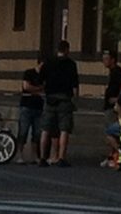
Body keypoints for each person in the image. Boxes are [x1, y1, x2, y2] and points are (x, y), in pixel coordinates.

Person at [38, 40, 79, 168]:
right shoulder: (71, 64)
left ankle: (42, 158)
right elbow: (75, 85)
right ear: (67, 50)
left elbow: (40, 80)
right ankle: (61, 158)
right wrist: (75, 100)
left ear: (57, 50)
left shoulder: (48, 62)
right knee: (64, 129)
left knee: (45, 129)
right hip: (64, 99)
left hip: (50, 99)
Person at [16, 58, 44, 164]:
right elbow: (26, 87)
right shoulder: (29, 73)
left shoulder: (44, 76)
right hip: (26, 106)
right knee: (23, 131)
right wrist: (39, 89)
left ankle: (34, 155)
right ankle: (19, 154)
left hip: (39, 107)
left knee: (37, 133)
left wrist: (36, 90)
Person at [100, 50, 121, 168]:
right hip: (109, 106)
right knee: (110, 131)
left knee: (112, 132)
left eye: (106, 58)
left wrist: (118, 99)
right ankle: (112, 156)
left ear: (113, 60)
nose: (104, 61)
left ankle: (116, 156)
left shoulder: (117, 72)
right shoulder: (113, 72)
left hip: (113, 108)